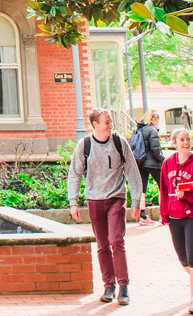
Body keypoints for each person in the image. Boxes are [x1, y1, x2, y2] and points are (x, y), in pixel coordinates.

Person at [69, 108, 144, 306]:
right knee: (102, 244)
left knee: (116, 240)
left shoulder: (119, 143)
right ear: (95, 124)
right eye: (107, 122)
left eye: (110, 122)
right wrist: (73, 201)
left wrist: (136, 201)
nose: (111, 126)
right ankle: (109, 286)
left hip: (115, 197)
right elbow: (75, 174)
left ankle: (124, 286)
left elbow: (132, 171)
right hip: (94, 199)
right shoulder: (84, 145)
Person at [160, 128, 193, 315]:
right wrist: (164, 215)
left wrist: (187, 194)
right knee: (182, 258)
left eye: (188, 139)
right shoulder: (167, 164)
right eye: (182, 139)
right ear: (174, 144)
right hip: (174, 216)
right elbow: (164, 190)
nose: (186, 142)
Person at [134, 109, 164, 227]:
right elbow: (155, 150)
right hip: (153, 163)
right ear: (154, 119)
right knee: (163, 186)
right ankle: (163, 214)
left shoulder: (139, 129)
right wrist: (163, 160)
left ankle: (143, 216)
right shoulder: (152, 130)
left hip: (140, 162)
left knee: (142, 190)